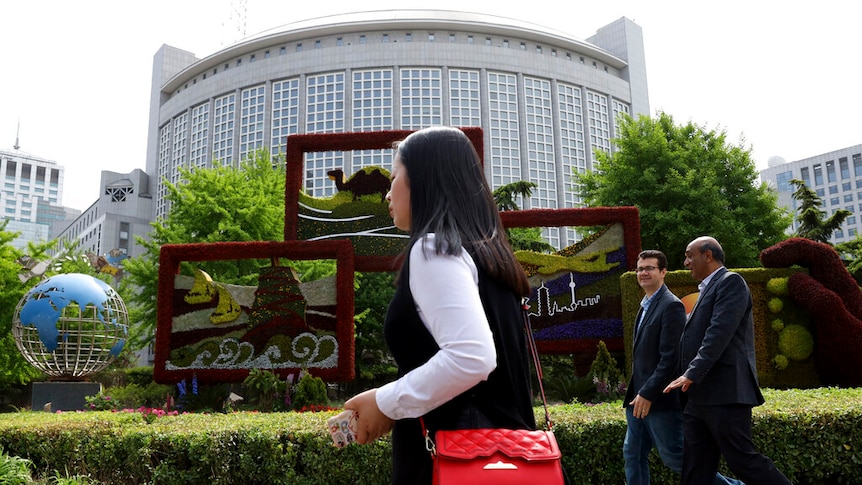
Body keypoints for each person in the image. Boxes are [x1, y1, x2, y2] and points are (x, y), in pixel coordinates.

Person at [343, 126, 537, 484]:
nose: (387, 193)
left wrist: (384, 402)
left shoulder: (434, 249)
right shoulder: (493, 258)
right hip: (511, 458)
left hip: (457, 460)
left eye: (394, 177)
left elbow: (471, 357)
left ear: (423, 180)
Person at [664, 236, 792, 485]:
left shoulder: (730, 282)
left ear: (708, 256)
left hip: (724, 392)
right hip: (699, 395)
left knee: (743, 460)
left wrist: (692, 372)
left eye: (690, 256)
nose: (686, 262)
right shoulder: (707, 289)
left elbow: (719, 333)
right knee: (695, 467)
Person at [624, 250, 742, 485]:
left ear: (663, 272)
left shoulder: (671, 306)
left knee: (677, 459)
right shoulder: (644, 307)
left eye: (649, 268)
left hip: (659, 400)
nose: (643, 273)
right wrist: (639, 393)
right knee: (632, 455)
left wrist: (648, 393)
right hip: (637, 399)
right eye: (640, 269)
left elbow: (670, 359)